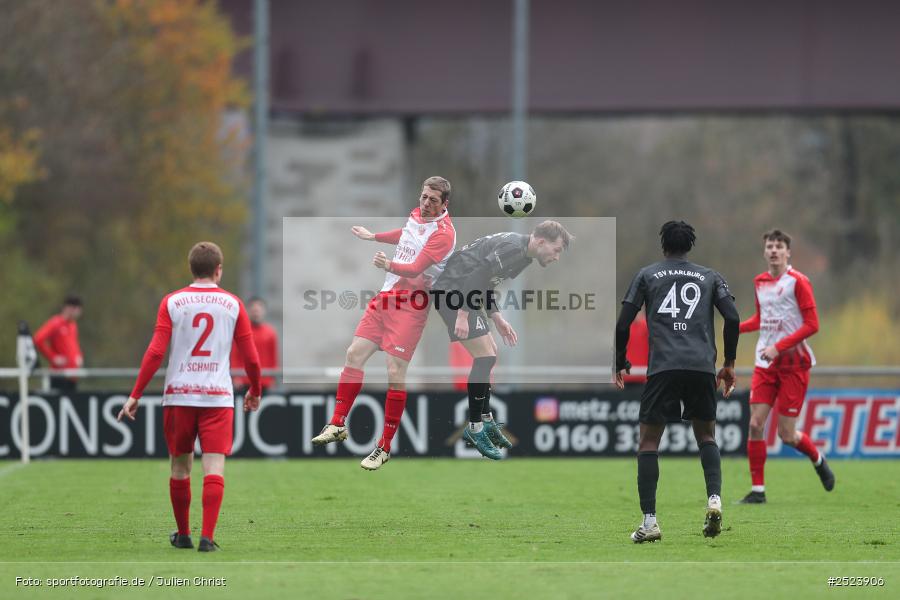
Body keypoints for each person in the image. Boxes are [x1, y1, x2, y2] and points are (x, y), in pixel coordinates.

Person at [117, 242, 262, 552]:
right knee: (214, 466)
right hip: (217, 397)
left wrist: (135, 394)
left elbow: (156, 351)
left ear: (191, 269)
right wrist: (255, 389)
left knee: (180, 467)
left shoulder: (173, 301)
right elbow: (251, 357)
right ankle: (206, 538)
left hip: (179, 395)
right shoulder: (233, 304)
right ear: (218, 270)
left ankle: (183, 535)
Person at [311, 176, 456, 471]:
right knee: (354, 354)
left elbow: (417, 267)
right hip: (386, 297)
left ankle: (384, 447)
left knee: (394, 372)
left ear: (445, 205)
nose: (425, 204)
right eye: (423, 196)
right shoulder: (417, 215)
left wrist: (387, 264)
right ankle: (337, 423)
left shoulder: (445, 234)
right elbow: (405, 235)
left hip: (412, 305)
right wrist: (373, 236)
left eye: (432, 200)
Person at [615, 220, 740, 543]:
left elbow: (624, 323)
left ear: (664, 245)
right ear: (689, 246)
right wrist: (728, 363)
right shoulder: (711, 276)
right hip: (701, 367)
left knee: (648, 443)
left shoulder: (647, 275)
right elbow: (733, 318)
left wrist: (620, 360)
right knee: (706, 437)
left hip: (664, 368)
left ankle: (650, 522)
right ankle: (714, 499)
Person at [431, 221, 573, 460]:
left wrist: (496, 317)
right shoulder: (513, 248)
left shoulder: (523, 256)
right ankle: (475, 428)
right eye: (556, 250)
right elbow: (476, 276)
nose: (557, 257)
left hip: (464, 292)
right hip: (452, 292)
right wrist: (463, 314)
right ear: (540, 242)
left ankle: (485, 421)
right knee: (485, 357)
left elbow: (485, 282)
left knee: (490, 353)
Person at [737, 229, 834, 504]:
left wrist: (778, 347)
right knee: (756, 424)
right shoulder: (760, 282)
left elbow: (812, 325)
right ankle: (758, 491)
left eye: (779, 246)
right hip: (764, 364)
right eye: (770, 246)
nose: (774, 250)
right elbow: (760, 319)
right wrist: (735, 328)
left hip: (794, 365)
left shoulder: (799, 282)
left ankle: (817, 458)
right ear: (765, 251)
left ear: (788, 252)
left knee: (787, 435)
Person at [34, 295, 84, 393]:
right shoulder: (56, 322)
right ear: (68, 308)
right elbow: (38, 339)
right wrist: (53, 357)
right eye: (76, 309)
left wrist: (79, 356)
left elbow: (73, 345)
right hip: (59, 375)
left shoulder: (73, 325)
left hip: (72, 376)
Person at [231, 297, 278, 394]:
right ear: (248, 311)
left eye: (258, 310)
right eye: (253, 310)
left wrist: (272, 378)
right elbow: (234, 355)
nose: (256, 312)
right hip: (243, 381)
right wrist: (235, 377)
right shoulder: (240, 331)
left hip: (264, 381)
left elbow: (273, 357)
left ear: (264, 311)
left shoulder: (270, 333)